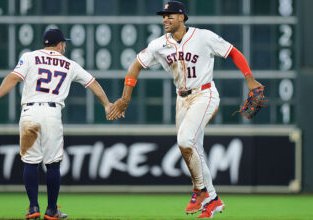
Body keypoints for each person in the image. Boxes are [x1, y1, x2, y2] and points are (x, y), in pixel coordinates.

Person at [107, 1, 263, 218]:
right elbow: (135, 65)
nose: (165, 19)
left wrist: (250, 80)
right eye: (163, 16)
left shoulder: (203, 37)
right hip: (181, 99)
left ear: (182, 17)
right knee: (192, 149)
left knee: (185, 140)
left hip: (205, 94)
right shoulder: (158, 45)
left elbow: (233, 52)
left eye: (170, 15)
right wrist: (125, 98)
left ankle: (200, 191)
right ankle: (213, 200)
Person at [0, 29, 112, 220]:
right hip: (52, 113)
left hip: (29, 112)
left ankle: (33, 207)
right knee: (52, 164)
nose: (65, 46)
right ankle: (52, 210)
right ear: (60, 44)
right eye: (64, 43)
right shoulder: (70, 64)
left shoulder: (30, 57)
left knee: (30, 161)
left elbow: (13, 78)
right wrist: (106, 105)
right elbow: (92, 83)